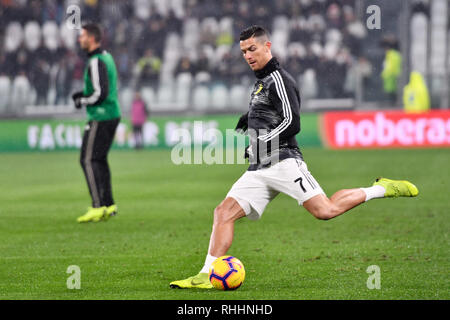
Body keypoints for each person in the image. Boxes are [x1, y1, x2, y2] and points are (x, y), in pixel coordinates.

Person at [169, 25, 419, 289]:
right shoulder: (261, 82)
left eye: (252, 49)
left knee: (325, 210)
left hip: (284, 162)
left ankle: (380, 188)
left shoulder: (280, 79)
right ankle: (207, 274)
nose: (247, 55)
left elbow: (292, 122)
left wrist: (261, 141)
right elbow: (270, 112)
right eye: (243, 51)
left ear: (267, 46)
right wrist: (250, 121)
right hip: (259, 168)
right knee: (223, 212)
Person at [72, 23, 121, 223]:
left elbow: (100, 94)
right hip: (112, 113)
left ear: (92, 38)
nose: (79, 39)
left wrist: (81, 100)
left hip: (101, 115)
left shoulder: (95, 61)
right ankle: (109, 204)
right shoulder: (107, 57)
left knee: (87, 159)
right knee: (99, 159)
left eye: (82, 36)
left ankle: (97, 205)